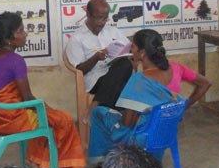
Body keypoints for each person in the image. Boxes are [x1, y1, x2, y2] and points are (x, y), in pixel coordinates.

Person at [0, 12, 86, 168]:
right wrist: (47, 108)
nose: (25, 34)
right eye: (20, 31)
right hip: (7, 119)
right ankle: (46, 166)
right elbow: (27, 99)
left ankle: (36, 162)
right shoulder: (14, 60)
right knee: (63, 119)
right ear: (9, 38)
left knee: (48, 115)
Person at [88, 29, 211, 159]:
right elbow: (206, 83)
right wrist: (183, 107)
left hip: (142, 140)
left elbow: (127, 123)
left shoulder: (139, 80)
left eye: (133, 46)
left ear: (142, 53)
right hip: (164, 135)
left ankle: (104, 160)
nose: (130, 49)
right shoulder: (176, 68)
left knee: (99, 112)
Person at [65, 0, 134, 110]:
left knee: (125, 64)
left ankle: (98, 103)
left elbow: (129, 49)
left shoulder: (113, 31)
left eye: (105, 19)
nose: (101, 22)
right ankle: (109, 110)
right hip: (95, 81)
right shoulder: (77, 39)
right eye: (98, 18)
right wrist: (96, 57)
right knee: (121, 81)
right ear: (88, 14)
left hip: (115, 72)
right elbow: (80, 70)